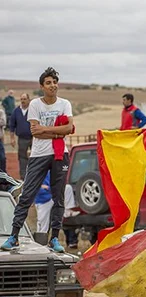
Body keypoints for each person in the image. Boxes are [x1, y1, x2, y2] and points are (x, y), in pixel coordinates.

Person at [2, 67, 73, 252]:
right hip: (39, 154)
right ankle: (14, 236)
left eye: (55, 82)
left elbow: (69, 128)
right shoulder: (35, 105)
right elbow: (35, 131)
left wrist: (46, 130)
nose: (53, 86)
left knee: (59, 198)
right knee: (26, 195)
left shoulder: (65, 103)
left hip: (59, 154)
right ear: (42, 86)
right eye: (48, 83)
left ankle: (54, 238)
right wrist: (58, 132)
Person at [7, 93, 32, 179]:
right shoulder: (16, 111)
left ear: (29, 100)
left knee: (35, 157)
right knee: (22, 158)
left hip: (34, 138)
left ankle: (35, 175)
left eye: (24, 99)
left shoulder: (33, 110)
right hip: (22, 138)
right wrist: (12, 139)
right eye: (21, 99)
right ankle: (23, 177)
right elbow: (12, 126)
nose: (23, 101)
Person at [34, 172, 53, 236]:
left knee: (42, 223)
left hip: (46, 199)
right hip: (39, 200)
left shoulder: (49, 172)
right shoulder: (35, 171)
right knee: (41, 222)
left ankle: (41, 241)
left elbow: (53, 186)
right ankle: (40, 240)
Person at [0, 108, 6, 173]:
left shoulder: (1, 111)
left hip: (0, 140)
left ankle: (3, 174)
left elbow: (3, 122)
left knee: (2, 158)